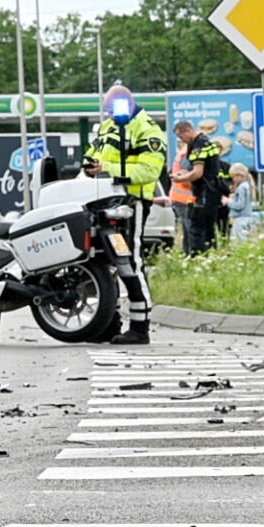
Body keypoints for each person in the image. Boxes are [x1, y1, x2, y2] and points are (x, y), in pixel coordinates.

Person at [82, 85, 168, 345]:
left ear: (128, 103)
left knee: (130, 262)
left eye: (113, 109)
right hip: (103, 202)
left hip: (132, 203)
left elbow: (149, 171)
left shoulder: (148, 129)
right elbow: (91, 155)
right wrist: (89, 166)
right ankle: (110, 325)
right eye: (107, 111)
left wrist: (107, 168)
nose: (111, 115)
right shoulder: (107, 127)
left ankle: (140, 328)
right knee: (104, 263)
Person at [170, 119, 227, 256]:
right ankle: (210, 257)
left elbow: (197, 172)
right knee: (208, 230)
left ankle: (198, 258)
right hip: (212, 191)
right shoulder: (207, 142)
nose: (181, 140)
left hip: (204, 192)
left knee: (196, 230)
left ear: (188, 131)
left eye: (181, 136)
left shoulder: (198, 146)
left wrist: (181, 178)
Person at [227, 164, 257, 240]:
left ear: (239, 175)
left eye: (233, 177)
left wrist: (228, 201)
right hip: (248, 217)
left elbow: (239, 205)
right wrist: (234, 197)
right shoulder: (247, 185)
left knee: (238, 242)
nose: (233, 179)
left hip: (240, 219)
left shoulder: (241, 187)